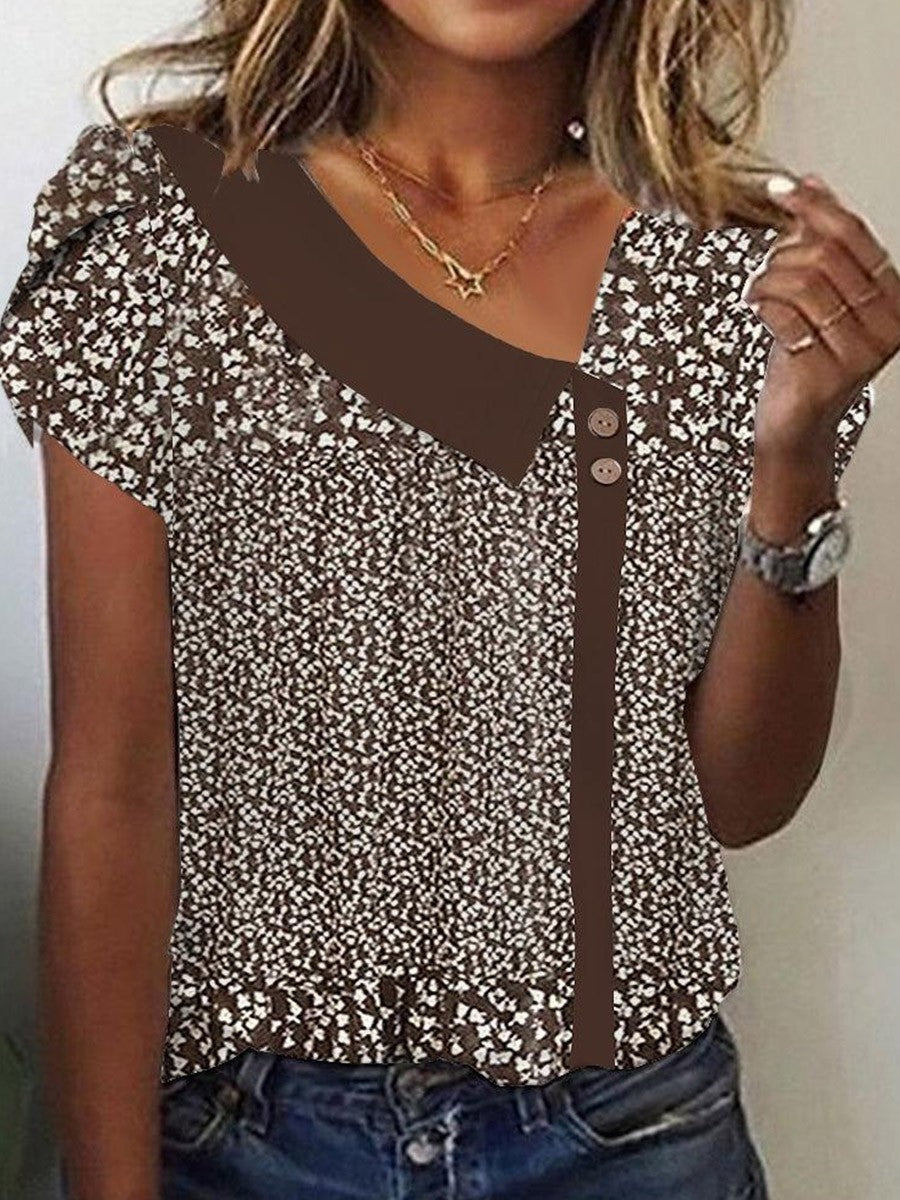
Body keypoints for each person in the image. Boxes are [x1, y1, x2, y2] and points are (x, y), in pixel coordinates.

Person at [0, 1, 897, 1198]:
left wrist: (794, 459)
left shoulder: (731, 272)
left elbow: (737, 799)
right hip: (242, 1136)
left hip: (629, 1133)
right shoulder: (162, 229)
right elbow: (112, 783)